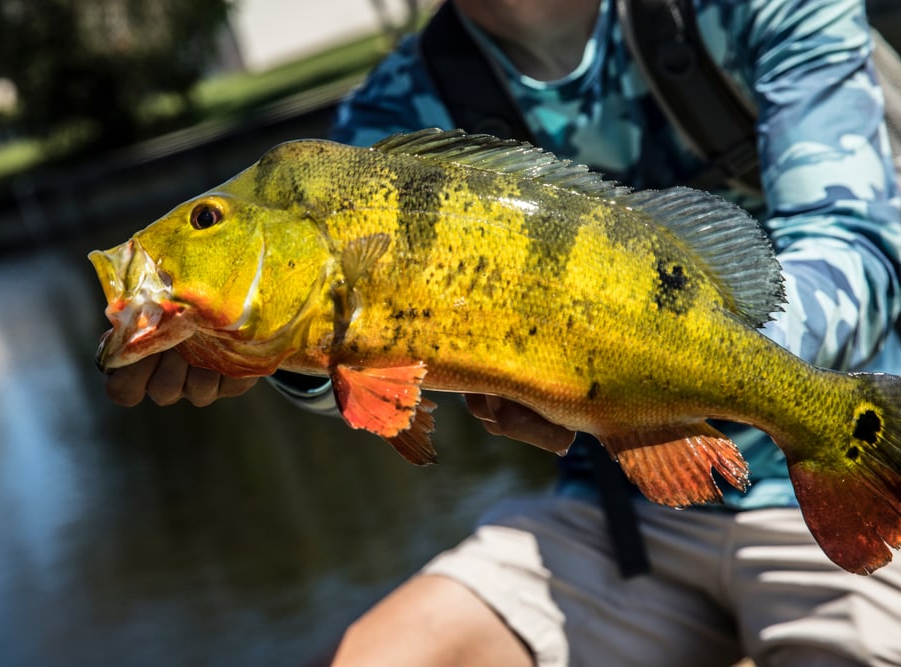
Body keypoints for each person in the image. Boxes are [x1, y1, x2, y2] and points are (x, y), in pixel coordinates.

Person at [103, 0, 901, 664]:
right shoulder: (388, 113)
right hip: (613, 512)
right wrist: (271, 357)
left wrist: (708, 377)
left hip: (822, 482)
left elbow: (858, 241)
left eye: (210, 219)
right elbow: (370, 373)